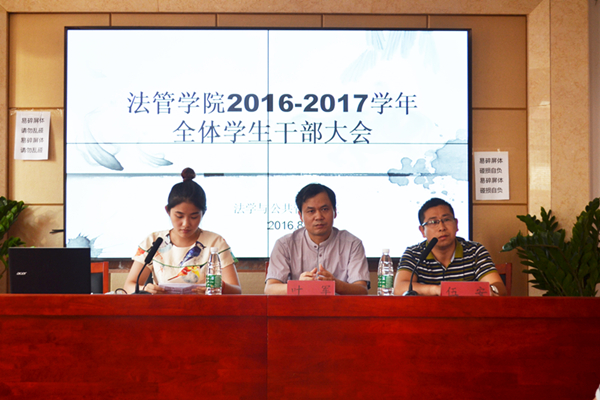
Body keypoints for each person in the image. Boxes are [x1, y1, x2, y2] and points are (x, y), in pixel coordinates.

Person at [123, 168, 241, 294]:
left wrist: (220, 287)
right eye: (179, 216)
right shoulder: (154, 241)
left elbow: (237, 291)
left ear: (203, 213)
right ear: (167, 211)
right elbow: (129, 286)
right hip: (162, 306)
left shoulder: (215, 242)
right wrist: (145, 289)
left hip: (203, 306)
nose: (186, 224)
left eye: (194, 217)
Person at [264, 183, 370, 295]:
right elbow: (270, 288)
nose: (319, 217)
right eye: (311, 211)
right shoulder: (284, 244)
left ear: (335, 212)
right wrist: (299, 286)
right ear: (300, 216)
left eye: (324, 209)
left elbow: (362, 290)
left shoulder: (353, 244)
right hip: (298, 306)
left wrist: (336, 285)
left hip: (339, 306)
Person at [394, 197, 507, 296]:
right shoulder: (414, 254)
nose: (442, 227)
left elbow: (498, 287)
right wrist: (436, 290)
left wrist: (492, 290)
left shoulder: (475, 251)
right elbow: (399, 288)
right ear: (422, 230)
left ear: (456, 224)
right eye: (433, 222)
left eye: (446, 219)